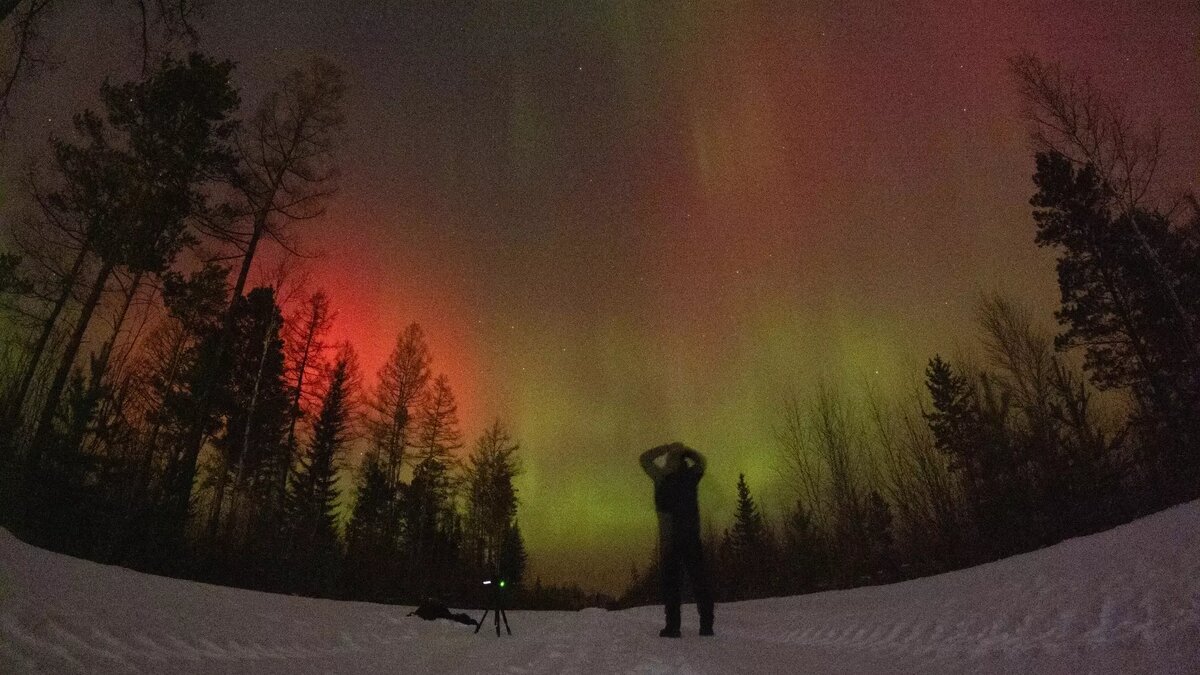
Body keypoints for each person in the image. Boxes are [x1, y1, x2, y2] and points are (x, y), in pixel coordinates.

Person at [639, 442, 714, 637]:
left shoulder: (662, 477)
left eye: (670, 457)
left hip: (672, 540)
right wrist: (686, 450)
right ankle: (706, 626)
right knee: (699, 581)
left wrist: (667, 448)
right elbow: (702, 461)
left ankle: (674, 627)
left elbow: (645, 459)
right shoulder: (690, 477)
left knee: (673, 585)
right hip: (689, 537)